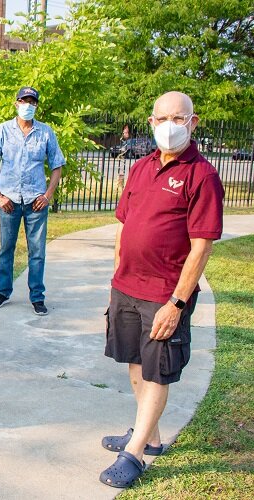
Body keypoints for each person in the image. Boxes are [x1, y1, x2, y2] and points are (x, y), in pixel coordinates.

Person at [99, 91, 224, 488]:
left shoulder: (201, 175)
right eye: (162, 118)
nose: (170, 126)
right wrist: (116, 278)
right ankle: (146, 434)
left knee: (157, 372)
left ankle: (134, 454)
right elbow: (124, 226)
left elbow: (201, 246)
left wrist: (177, 302)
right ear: (151, 123)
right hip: (127, 286)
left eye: (179, 118)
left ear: (193, 121)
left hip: (165, 293)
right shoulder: (139, 168)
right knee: (135, 361)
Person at [0, 86, 65, 315]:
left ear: (36, 105)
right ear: (16, 103)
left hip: (35, 202)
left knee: (37, 251)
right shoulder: (3, 131)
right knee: (6, 248)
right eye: (24, 100)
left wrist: (48, 195)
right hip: (9, 202)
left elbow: (57, 165)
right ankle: (2, 292)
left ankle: (37, 296)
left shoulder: (46, 132)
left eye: (32, 102)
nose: (28, 105)